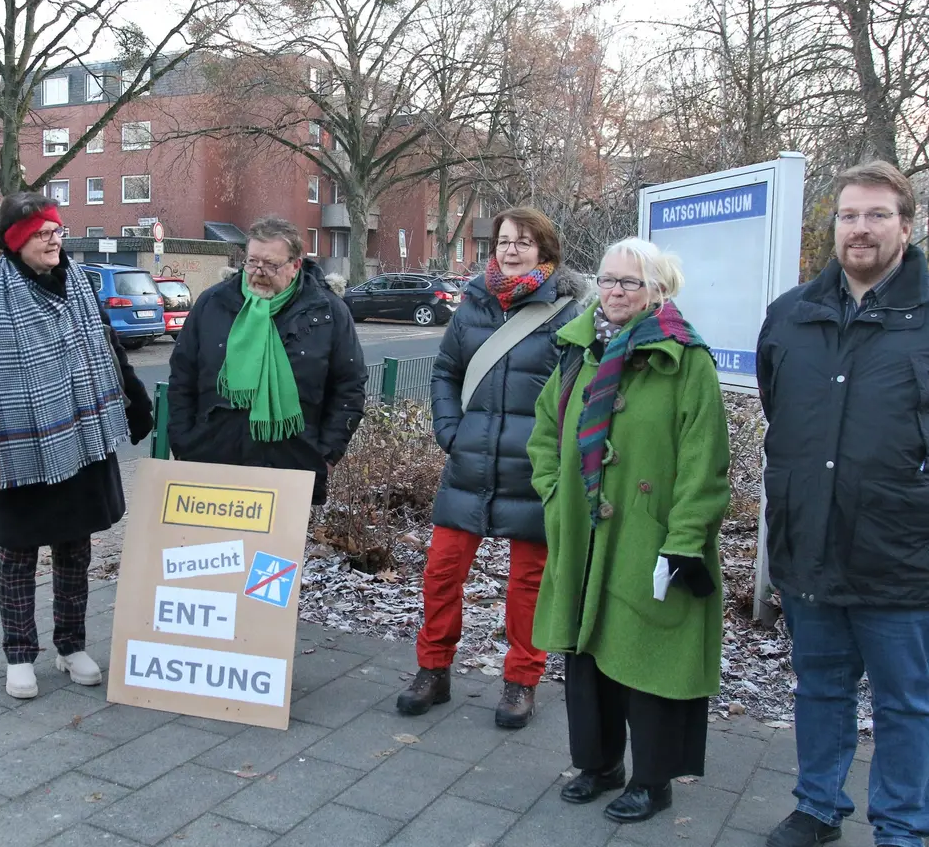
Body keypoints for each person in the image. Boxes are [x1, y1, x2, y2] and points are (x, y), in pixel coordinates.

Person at [756, 161, 929, 847]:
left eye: (877, 215)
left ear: (906, 227)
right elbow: (780, 406)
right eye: (849, 215)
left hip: (903, 546)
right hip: (812, 540)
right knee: (818, 686)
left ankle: (903, 828)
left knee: (904, 702)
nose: (860, 228)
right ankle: (819, 807)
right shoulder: (791, 315)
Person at [527, 237, 730, 824]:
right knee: (586, 653)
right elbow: (545, 430)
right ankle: (598, 764)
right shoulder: (578, 351)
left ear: (658, 292)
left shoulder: (684, 359)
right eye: (608, 280)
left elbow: (704, 462)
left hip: (648, 536)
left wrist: (685, 540)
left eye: (629, 283)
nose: (613, 292)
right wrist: (555, 490)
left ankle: (652, 779)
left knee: (647, 658)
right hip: (583, 531)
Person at [0, 193, 153, 699]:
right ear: (16, 241)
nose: (55, 240)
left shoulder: (79, 284)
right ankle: (19, 653)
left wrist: (134, 397)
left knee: (74, 548)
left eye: (57, 231)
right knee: (18, 552)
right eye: (43, 233)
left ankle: (71, 644)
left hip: (82, 437)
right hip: (23, 445)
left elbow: (106, 344)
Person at [396, 207, 587, 728]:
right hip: (470, 462)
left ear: (545, 249)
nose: (510, 249)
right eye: (503, 240)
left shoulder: (570, 312)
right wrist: (450, 431)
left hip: (532, 470)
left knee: (529, 583)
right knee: (441, 573)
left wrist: (555, 457)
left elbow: (577, 391)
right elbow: (445, 372)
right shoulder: (474, 304)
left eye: (523, 241)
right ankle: (432, 671)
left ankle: (522, 681)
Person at [167, 216, 365, 503]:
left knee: (273, 552)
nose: (258, 272)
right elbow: (182, 378)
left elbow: (350, 387)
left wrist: (325, 457)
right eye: (251, 262)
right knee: (216, 549)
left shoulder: (327, 313)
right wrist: (184, 444)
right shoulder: (213, 304)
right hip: (210, 466)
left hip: (292, 469)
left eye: (270, 265)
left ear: (295, 265)